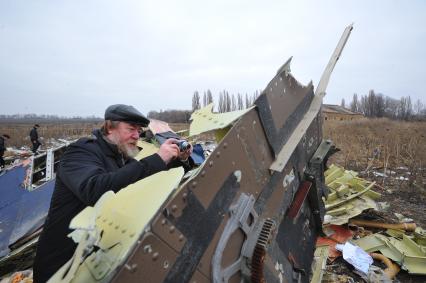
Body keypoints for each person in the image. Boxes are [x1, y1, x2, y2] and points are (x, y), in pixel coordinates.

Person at [33, 104, 193, 282]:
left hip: (98, 263)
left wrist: (180, 159)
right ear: (110, 127)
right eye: (131, 129)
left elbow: (141, 179)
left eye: (139, 130)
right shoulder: (81, 152)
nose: (136, 136)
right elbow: (94, 190)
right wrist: (157, 158)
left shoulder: (120, 156)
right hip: (63, 267)